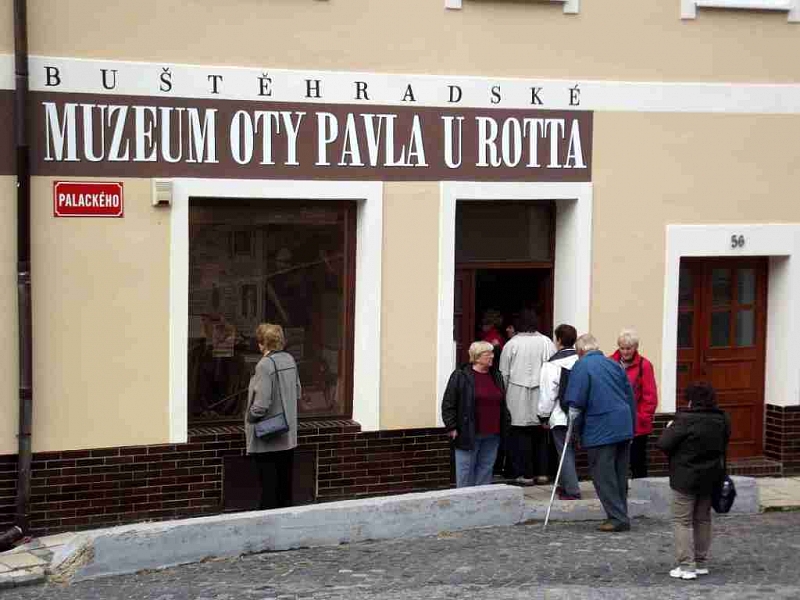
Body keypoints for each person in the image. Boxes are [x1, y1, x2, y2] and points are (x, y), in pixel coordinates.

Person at [657, 382, 730, 580]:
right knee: (703, 519)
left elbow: (663, 443)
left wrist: (669, 428)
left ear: (691, 400)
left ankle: (686, 565)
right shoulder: (721, 419)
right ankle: (701, 562)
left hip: (685, 477)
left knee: (682, 521)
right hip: (710, 476)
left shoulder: (684, 419)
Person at [565, 333, 635, 532]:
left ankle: (617, 517)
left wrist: (574, 431)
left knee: (603, 475)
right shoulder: (614, 364)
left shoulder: (581, 366)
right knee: (619, 473)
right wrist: (632, 426)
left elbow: (576, 403)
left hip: (600, 427)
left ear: (580, 352)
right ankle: (621, 513)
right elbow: (629, 396)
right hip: (623, 425)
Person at [245, 323, 301, 510]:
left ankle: (266, 527)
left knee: (268, 488)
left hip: (268, 435)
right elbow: (298, 392)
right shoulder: (290, 360)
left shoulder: (264, 365)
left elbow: (261, 404)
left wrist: (250, 418)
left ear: (262, 344)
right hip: (287, 433)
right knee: (284, 488)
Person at [442, 341, 510, 487]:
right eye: (488, 354)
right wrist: (451, 426)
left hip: (493, 432)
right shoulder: (461, 375)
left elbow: (502, 402)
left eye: (492, 353)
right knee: (465, 470)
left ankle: (482, 501)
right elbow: (449, 403)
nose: (492, 356)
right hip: (468, 431)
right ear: (477, 357)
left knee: (486, 468)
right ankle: (464, 502)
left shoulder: (496, 376)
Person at [499, 309, 555, 485]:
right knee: (540, 435)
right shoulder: (547, 342)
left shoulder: (511, 345)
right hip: (541, 394)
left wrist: (503, 396)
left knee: (519, 435)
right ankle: (542, 473)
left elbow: (504, 374)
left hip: (516, 396)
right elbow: (552, 371)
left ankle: (525, 474)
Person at [538, 324, 581, 500]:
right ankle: (564, 485)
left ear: (559, 340)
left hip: (561, 414)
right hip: (581, 414)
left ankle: (571, 490)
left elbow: (548, 393)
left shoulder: (552, 364)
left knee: (564, 451)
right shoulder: (581, 360)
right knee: (570, 450)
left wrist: (543, 416)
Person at [610, 328, 658, 479]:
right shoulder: (610, 362)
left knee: (637, 460)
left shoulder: (644, 366)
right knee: (616, 459)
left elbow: (650, 396)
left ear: (635, 347)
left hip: (637, 422)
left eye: (629, 348)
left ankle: (641, 490)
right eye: (622, 348)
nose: (625, 352)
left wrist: (642, 417)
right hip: (615, 420)